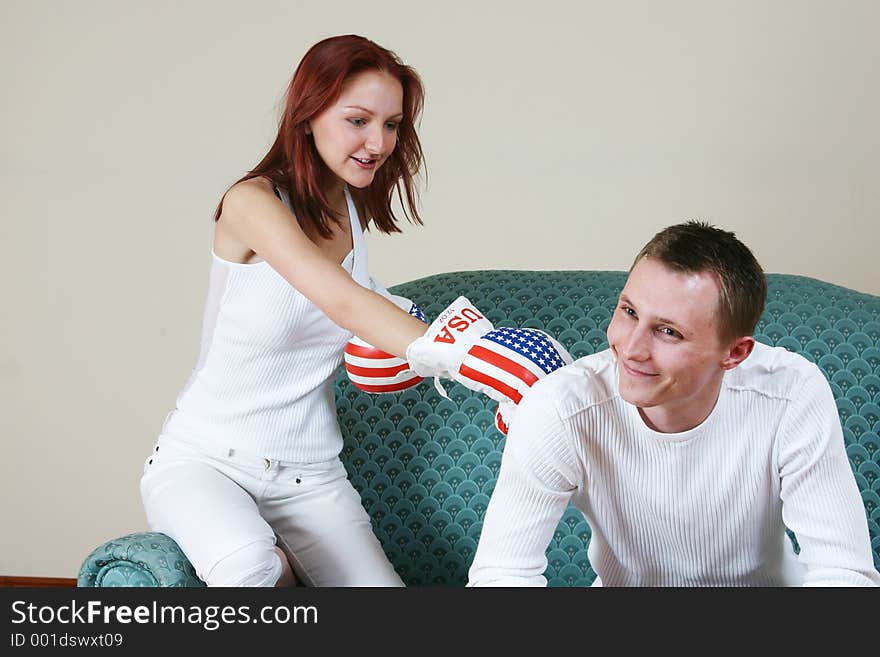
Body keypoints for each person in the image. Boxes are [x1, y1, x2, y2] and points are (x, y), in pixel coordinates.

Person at [140, 34, 442, 587]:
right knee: (253, 567)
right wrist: (473, 356)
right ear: (308, 116)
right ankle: (277, 570)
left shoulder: (352, 212)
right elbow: (342, 301)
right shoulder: (250, 203)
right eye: (358, 120)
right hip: (205, 461)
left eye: (393, 124)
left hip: (310, 476)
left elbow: (365, 308)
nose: (378, 142)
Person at [468, 221, 880, 587]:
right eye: (629, 311)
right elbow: (500, 575)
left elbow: (844, 572)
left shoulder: (791, 392)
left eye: (668, 332)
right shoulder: (561, 406)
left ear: (734, 353)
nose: (631, 349)